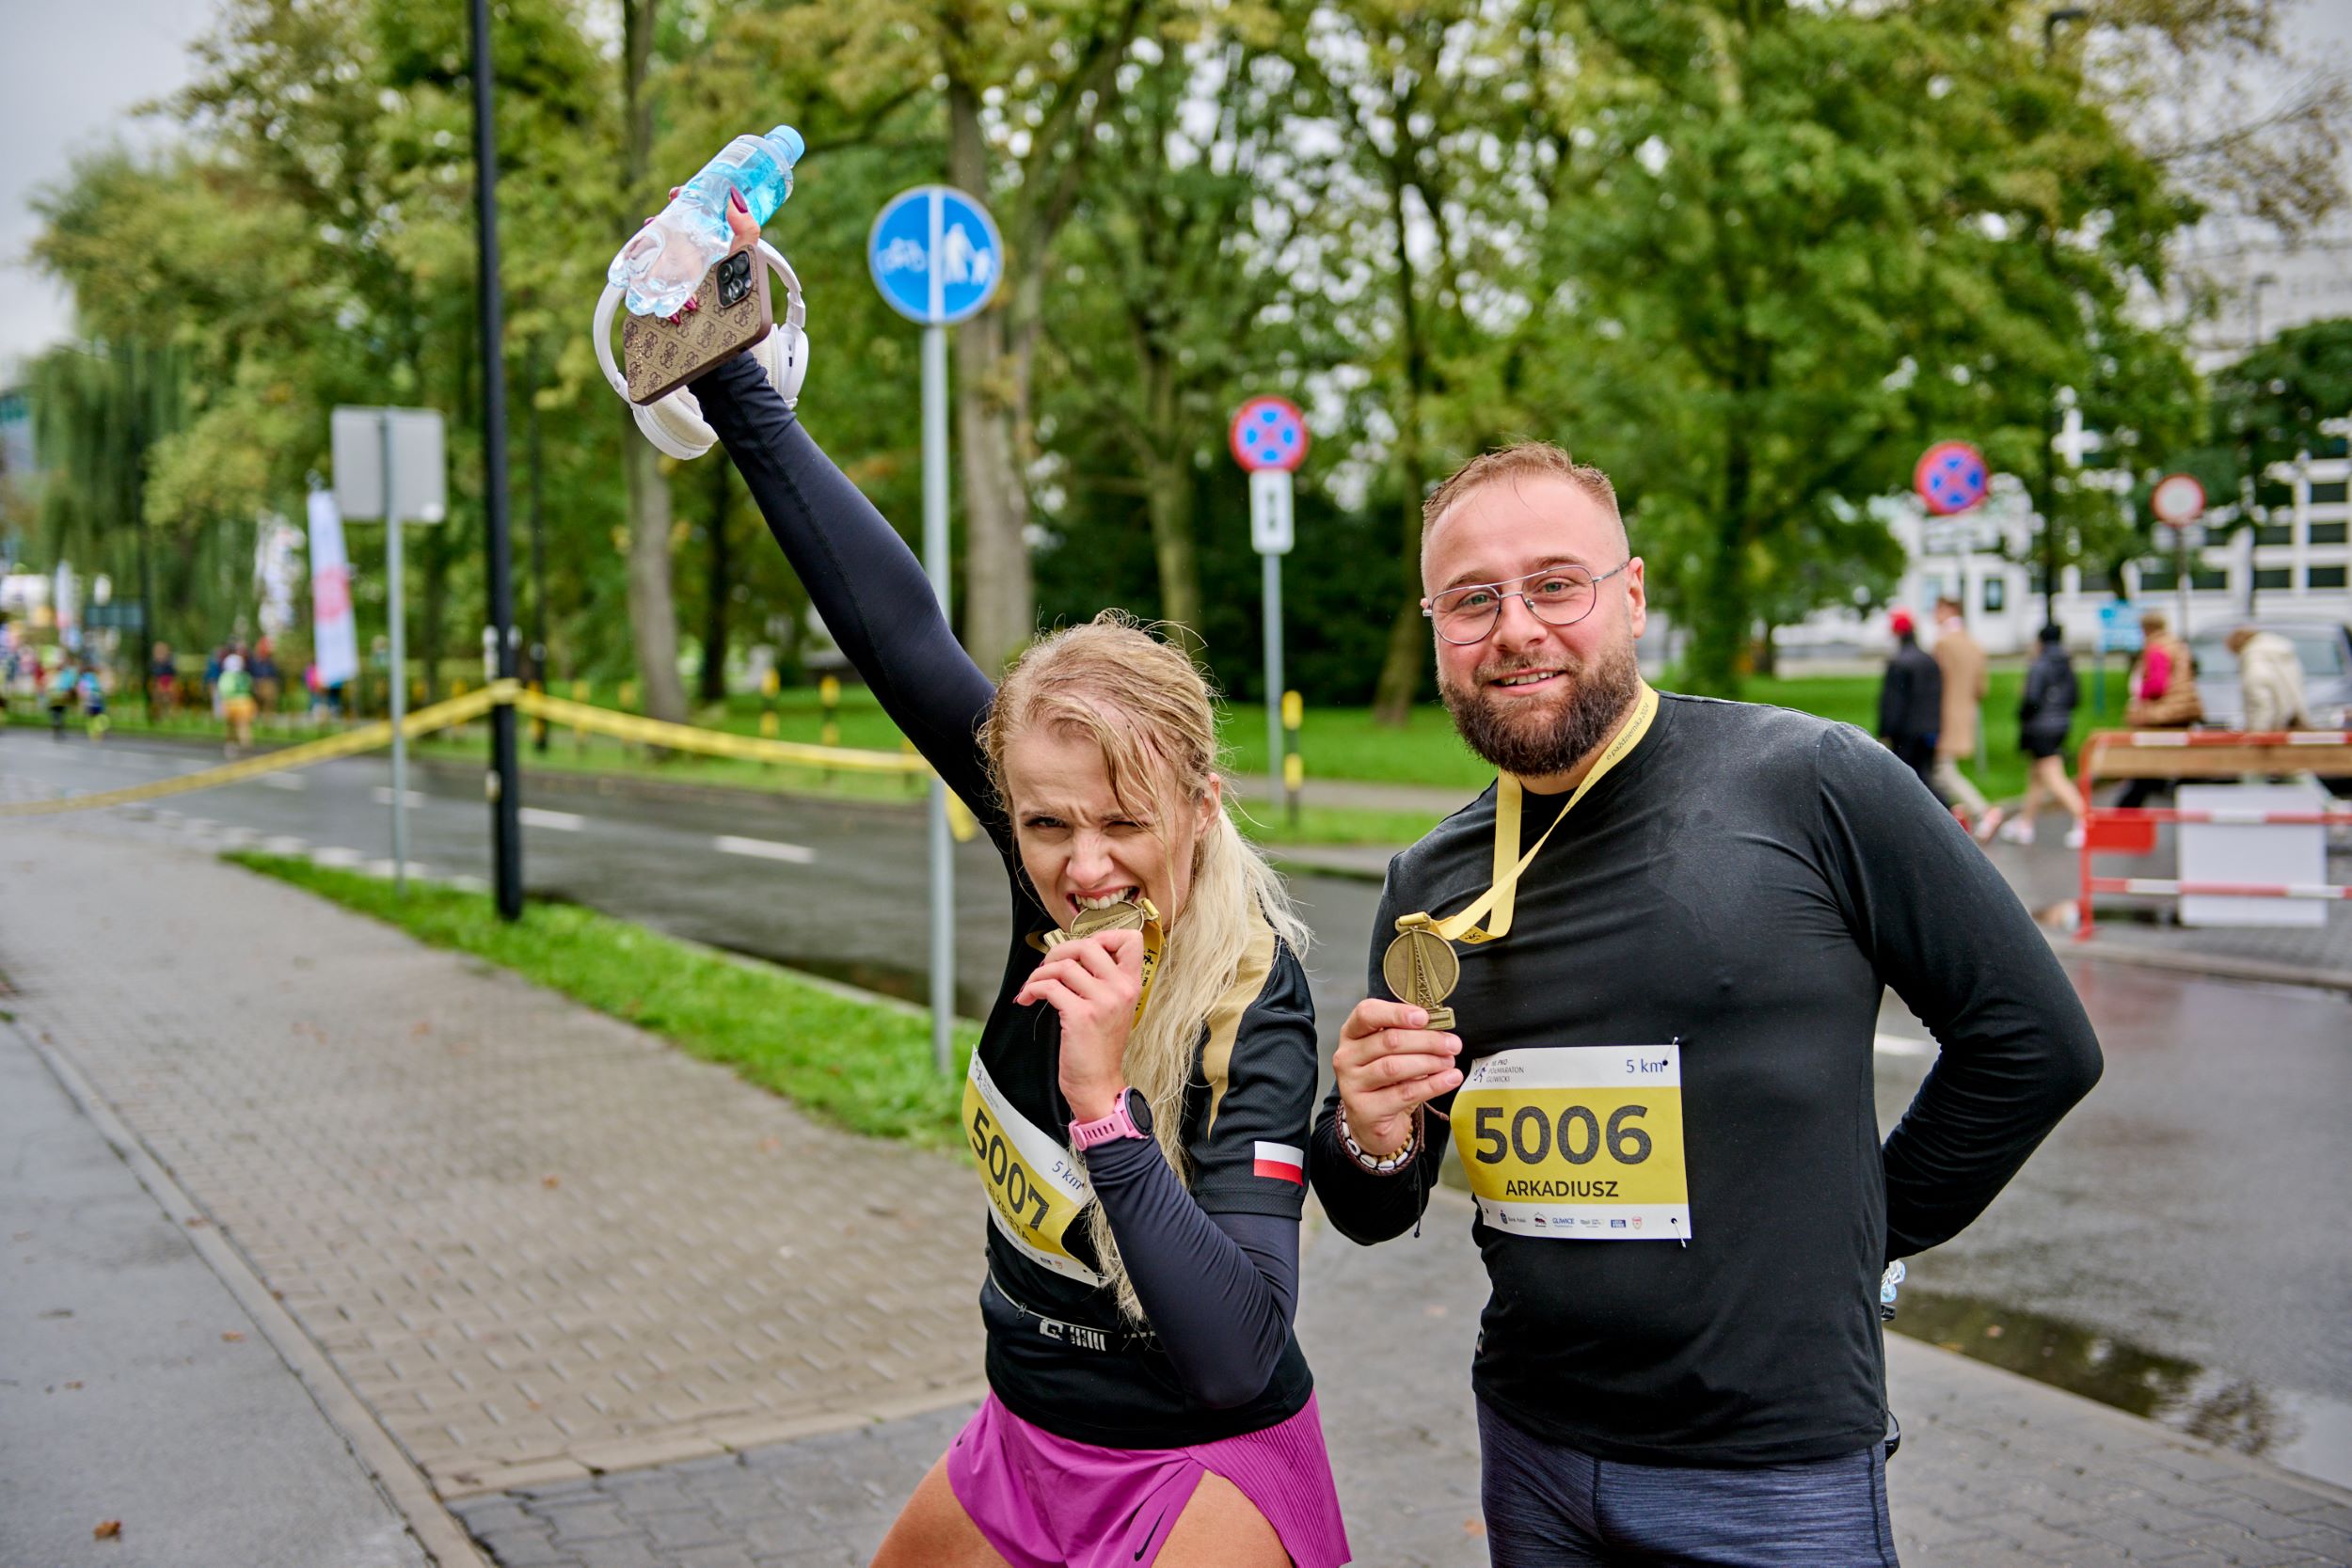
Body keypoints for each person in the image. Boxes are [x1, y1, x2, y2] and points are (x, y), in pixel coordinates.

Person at [688, 201, 1347, 1568]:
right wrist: (728, 375)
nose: (1085, 864)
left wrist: (1106, 1108)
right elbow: (895, 630)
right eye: (1045, 825)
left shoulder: (1252, 992)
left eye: (1126, 822)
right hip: (1024, 1435)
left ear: (1202, 802)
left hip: (1196, 1468)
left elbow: (1240, 1348)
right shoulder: (1038, 837)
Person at [1312, 442, 2102, 1568]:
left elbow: (2035, 1042)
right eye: (1472, 599)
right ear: (1436, 626)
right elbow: (1374, 1206)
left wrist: (1862, 1227)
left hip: (1769, 1470)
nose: (1517, 627)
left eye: (1555, 583)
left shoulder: (1814, 779)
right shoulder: (1430, 884)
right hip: (1532, 1444)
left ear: (1629, 596)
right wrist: (1368, 1132)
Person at [2001, 625, 2088, 848]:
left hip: (2041, 727)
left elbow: (2031, 698)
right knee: (2036, 776)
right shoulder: (2067, 663)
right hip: (2061, 723)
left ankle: (2085, 818)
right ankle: (2025, 824)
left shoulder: (2039, 663)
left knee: (2051, 775)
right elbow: (2076, 697)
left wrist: (2022, 713)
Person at [2117, 610, 2201, 810]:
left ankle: (2126, 811)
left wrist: (2141, 696)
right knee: (2173, 760)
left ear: (2146, 629)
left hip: (2164, 713)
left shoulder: (2157, 648)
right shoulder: (2177, 645)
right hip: (2183, 709)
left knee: (2148, 764)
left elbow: (2156, 684)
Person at [1929, 596, 1999, 838]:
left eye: (1937, 609)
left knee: (1941, 771)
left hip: (1941, 716)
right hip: (1965, 715)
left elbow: (1931, 685)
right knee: (1942, 769)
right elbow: (1982, 689)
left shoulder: (1943, 644)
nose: (1933, 615)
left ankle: (1982, 810)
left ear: (1949, 609)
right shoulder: (1974, 644)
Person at [1876, 609, 1945, 801]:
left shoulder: (1899, 663)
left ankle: (1947, 813)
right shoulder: (1929, 659)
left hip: (1906, 732)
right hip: (1930, 729)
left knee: (1905, 780)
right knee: (1925, 776)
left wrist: (1885, 731)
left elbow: (1893, 703)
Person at [2228, 626, 2310, 734]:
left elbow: (2262, 705)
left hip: (2270, 731)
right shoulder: (2284, 655)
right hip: (2291, 721)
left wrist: (2257, 734)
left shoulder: (2254, 663)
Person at [218, 653, 257, 755]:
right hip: (244, 701)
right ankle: (245, 745)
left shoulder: (226, 676)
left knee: (230, 726)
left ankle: (232, 744)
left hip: (231, 702)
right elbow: (251, 687)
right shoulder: (245, 675)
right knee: (243, 725)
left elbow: (224, 690)